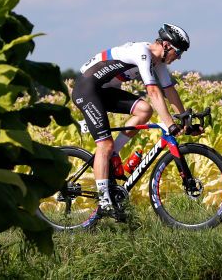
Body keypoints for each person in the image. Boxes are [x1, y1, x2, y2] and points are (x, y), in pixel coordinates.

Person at [71, 23, 199, 220]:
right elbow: (153, 91)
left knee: (144, 110)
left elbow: (169, 91)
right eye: (178, 51)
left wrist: (185, 121)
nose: (179, 57)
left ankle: (112, 152)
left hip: (104, 91)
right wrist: (170, 124)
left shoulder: (159, 63)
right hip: (86, 89)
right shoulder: (143, 52)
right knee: (103, 144)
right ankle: (104, 202)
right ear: (166, 45)